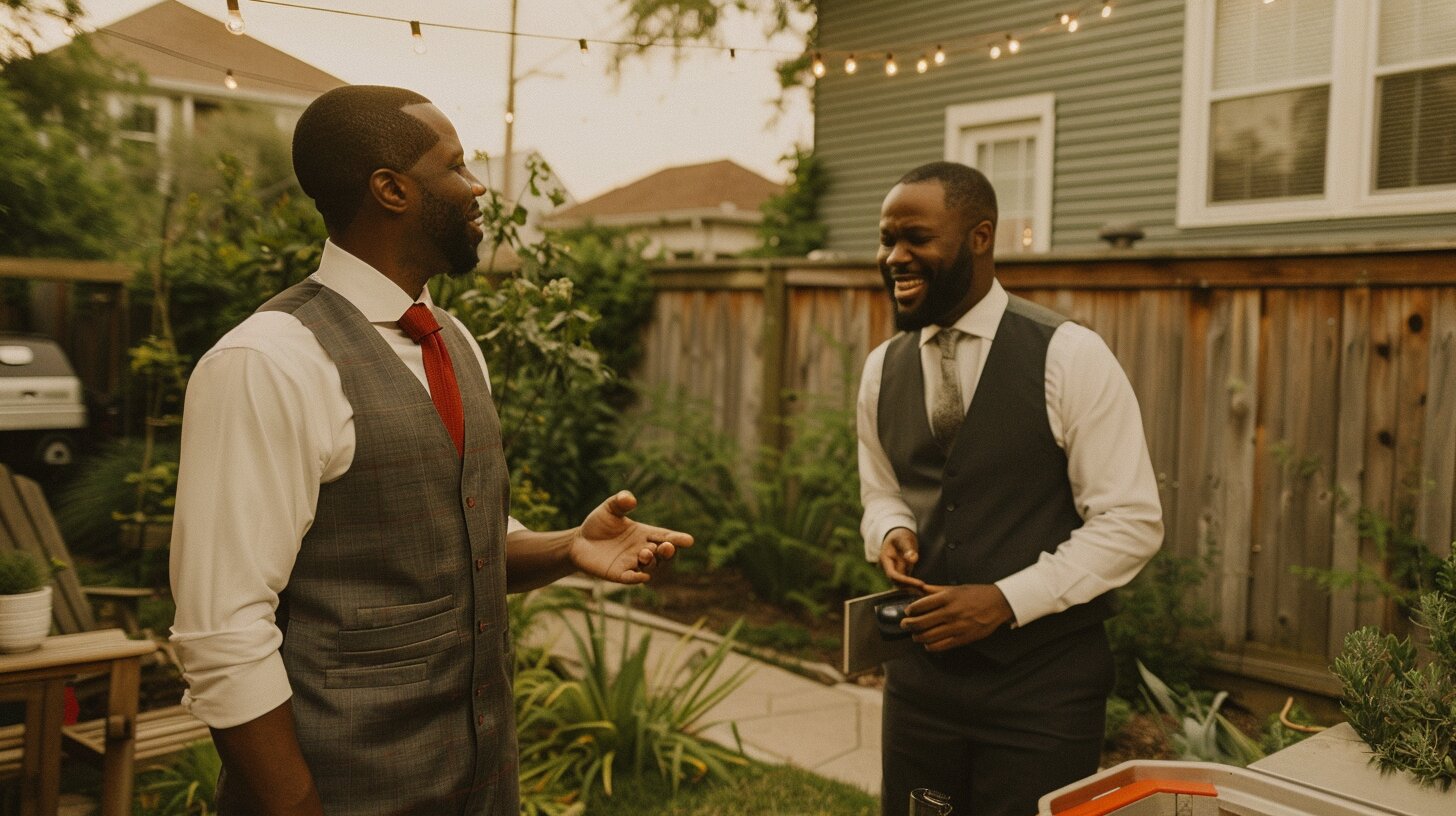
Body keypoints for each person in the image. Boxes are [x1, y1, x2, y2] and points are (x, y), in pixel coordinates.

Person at [168, 85, 692, 816]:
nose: (478, 188)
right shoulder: (267, 362)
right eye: (458, 166)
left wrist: (571, 547)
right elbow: (222, 635)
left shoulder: (453, 341)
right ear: (391, 189)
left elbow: (448, 542)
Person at [857, 162, 1163, 816]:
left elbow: (1130, 522)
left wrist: (1004, 600)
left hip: (1042, 692)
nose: (894, 257)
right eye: (886, 239)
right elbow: (881, 489)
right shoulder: (882, 368)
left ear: (980, 237)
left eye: (915, 238)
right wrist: (890, 529)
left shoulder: (1069, 355)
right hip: (919, 686)